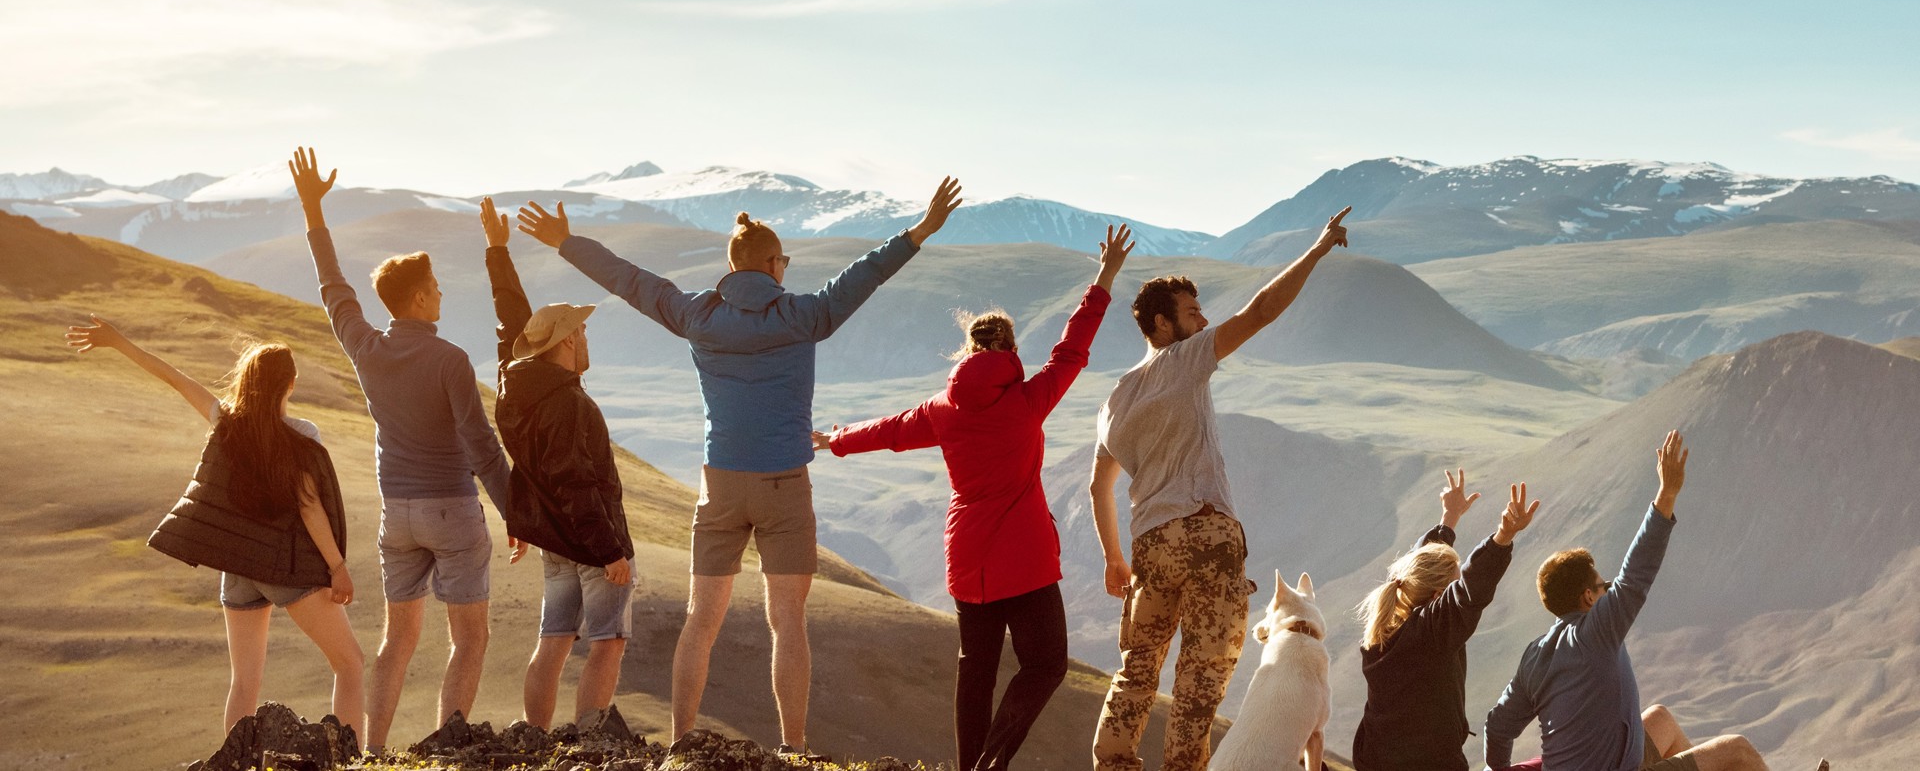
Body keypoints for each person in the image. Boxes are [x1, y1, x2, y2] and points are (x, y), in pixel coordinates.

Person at [516, 177, 965, 754]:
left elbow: (629, 280)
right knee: (787, 622)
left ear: (732, 267)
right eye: (784, 261)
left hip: (720, 484)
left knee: (701, 620)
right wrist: (920, 230)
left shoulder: (697, 315)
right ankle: (793, 747)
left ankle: (680, 744)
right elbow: (866, 274)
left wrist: (567, 242)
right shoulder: (804, 315)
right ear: (774, 265)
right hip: (784, 484)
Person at [816, 225, 1136, 770]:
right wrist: (1104, 275)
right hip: (1026, 559)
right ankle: (992, 764)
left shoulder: (941, 409)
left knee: (976, 671)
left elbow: (891, 430)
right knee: (1046, 665)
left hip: (968, 558)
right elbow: (1073, 346)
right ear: (1010, 350)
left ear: (968, 350)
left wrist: (838, 439)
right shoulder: (1029, 399)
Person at [1089, 206, 1353, 771]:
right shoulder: (1185, 359)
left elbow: (1097, 487)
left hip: (1150, 545)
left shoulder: (1113, 400)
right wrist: (1316, 250)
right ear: (1162, 324)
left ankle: (1111, 764)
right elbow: (1260, 311)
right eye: (1192, 312)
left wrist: (1114, 558)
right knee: (1199, 683)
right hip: (1207, 537)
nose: (1204, 319)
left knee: (1137, 672)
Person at [289, 148, 515, 751]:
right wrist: (517, 513)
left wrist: (313, 210)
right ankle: (446, 751)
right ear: (417, 299)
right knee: (469, 639)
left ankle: (373, 754)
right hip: (452, 510)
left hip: (399, 515)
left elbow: (333, 288)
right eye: (435, 289)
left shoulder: (367, 348)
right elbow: (481, 445)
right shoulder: (450, 360)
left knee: (398, 640)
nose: (441, 295)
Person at [66, 318, 366, 739]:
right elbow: (310, 506)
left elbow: (175, 378)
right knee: (349, 663)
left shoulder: (226, 421)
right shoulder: (302, 434)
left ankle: (234, 762)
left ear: (248, 382)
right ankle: (349, 760)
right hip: (284, 567)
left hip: (237, 569)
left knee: (244, 683)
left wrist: (118, 342)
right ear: (290, 385)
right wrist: (337, 567)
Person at [1484, 431, 1788, 771]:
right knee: (1737, 750)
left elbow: (1497, 729)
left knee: (1661, 719)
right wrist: (1667, 493)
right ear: (1588, 597)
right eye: (1604, 586)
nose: (1609, 590)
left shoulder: (1535, 656)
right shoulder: (1596, 632)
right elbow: (1635, 574)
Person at [476, 198, 636, 729]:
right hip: (591, 538)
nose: (586, 338)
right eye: (581, 332)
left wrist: (497, 251)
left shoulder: (515, 384)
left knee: (553, 642)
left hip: (552, 541)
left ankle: (537, 742)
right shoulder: (568, 403)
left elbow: (511, 319)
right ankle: (592, 741)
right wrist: (610, 550)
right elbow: (576, 483)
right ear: (568, 339)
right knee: (608, 642)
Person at [1350, 472, 1539, 771]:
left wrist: (1449, 518)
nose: (1456, 585)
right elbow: (1469, 591)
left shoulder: (1384, 625)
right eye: (1452, 582)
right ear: (1439, 596)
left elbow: (1420, 567)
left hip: (1374, 760)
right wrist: (1503, 537)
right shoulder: (1429, 634)